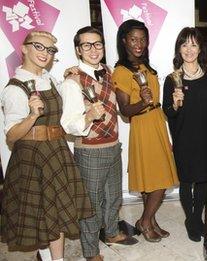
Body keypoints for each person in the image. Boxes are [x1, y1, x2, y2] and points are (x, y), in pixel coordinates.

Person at [0, 31, 93, 261]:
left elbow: (58, 104)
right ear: (24, 48)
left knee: (57, 214)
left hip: (55, 152)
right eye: (39, 47)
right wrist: (32, 115)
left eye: (50, 50)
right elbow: (11, 136)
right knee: (42, 216)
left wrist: (65, 76)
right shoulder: (14, 88)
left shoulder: (48, 79)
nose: (45, 54)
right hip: (32, 158)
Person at [59, 26, 138, 260]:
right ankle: (91, 251)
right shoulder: (72, 81)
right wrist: (88, 117)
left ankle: (112, 232)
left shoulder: (108, 70)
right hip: (90, 152)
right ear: (78, 50)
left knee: (114, 196)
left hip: (113, 146)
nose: (93, 49)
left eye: (98, 44)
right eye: (87, 45)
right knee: (91, 205)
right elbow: (68, 124)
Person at [112, 19, 178, 242]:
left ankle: (151, 220)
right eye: (133, 39)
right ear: (124, 41)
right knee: (158, 179)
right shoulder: (121, 71)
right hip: (142, 124)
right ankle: (145, 221)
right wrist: (142, 102)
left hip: (157, 122)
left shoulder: (146, 67)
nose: (138, 43)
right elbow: (124, 110)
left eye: (142, 39)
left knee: (151, 178)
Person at [163, 27, 207, 242]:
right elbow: (168, 113)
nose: (189, 49)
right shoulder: (173, 79)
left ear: (200, 49)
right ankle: (190, 220)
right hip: (184, 138)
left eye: (193, 44)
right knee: (187, 181)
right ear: (179, 49)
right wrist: (175, 102)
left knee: (203, 180)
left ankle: (196, 217)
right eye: (184, 44)